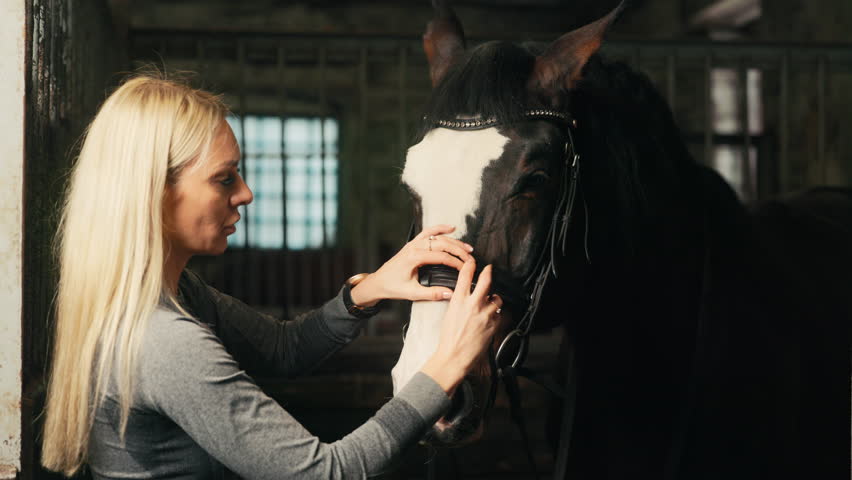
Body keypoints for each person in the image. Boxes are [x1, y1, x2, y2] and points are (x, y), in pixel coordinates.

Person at [40, 72, 502, 479]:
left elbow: (284, 349)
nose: (246, 193)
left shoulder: (175, 294)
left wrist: (372, 288)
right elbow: (327, 473)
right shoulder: (162, 342)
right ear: (155, 193)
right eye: (224, 178)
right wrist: (445, 366)